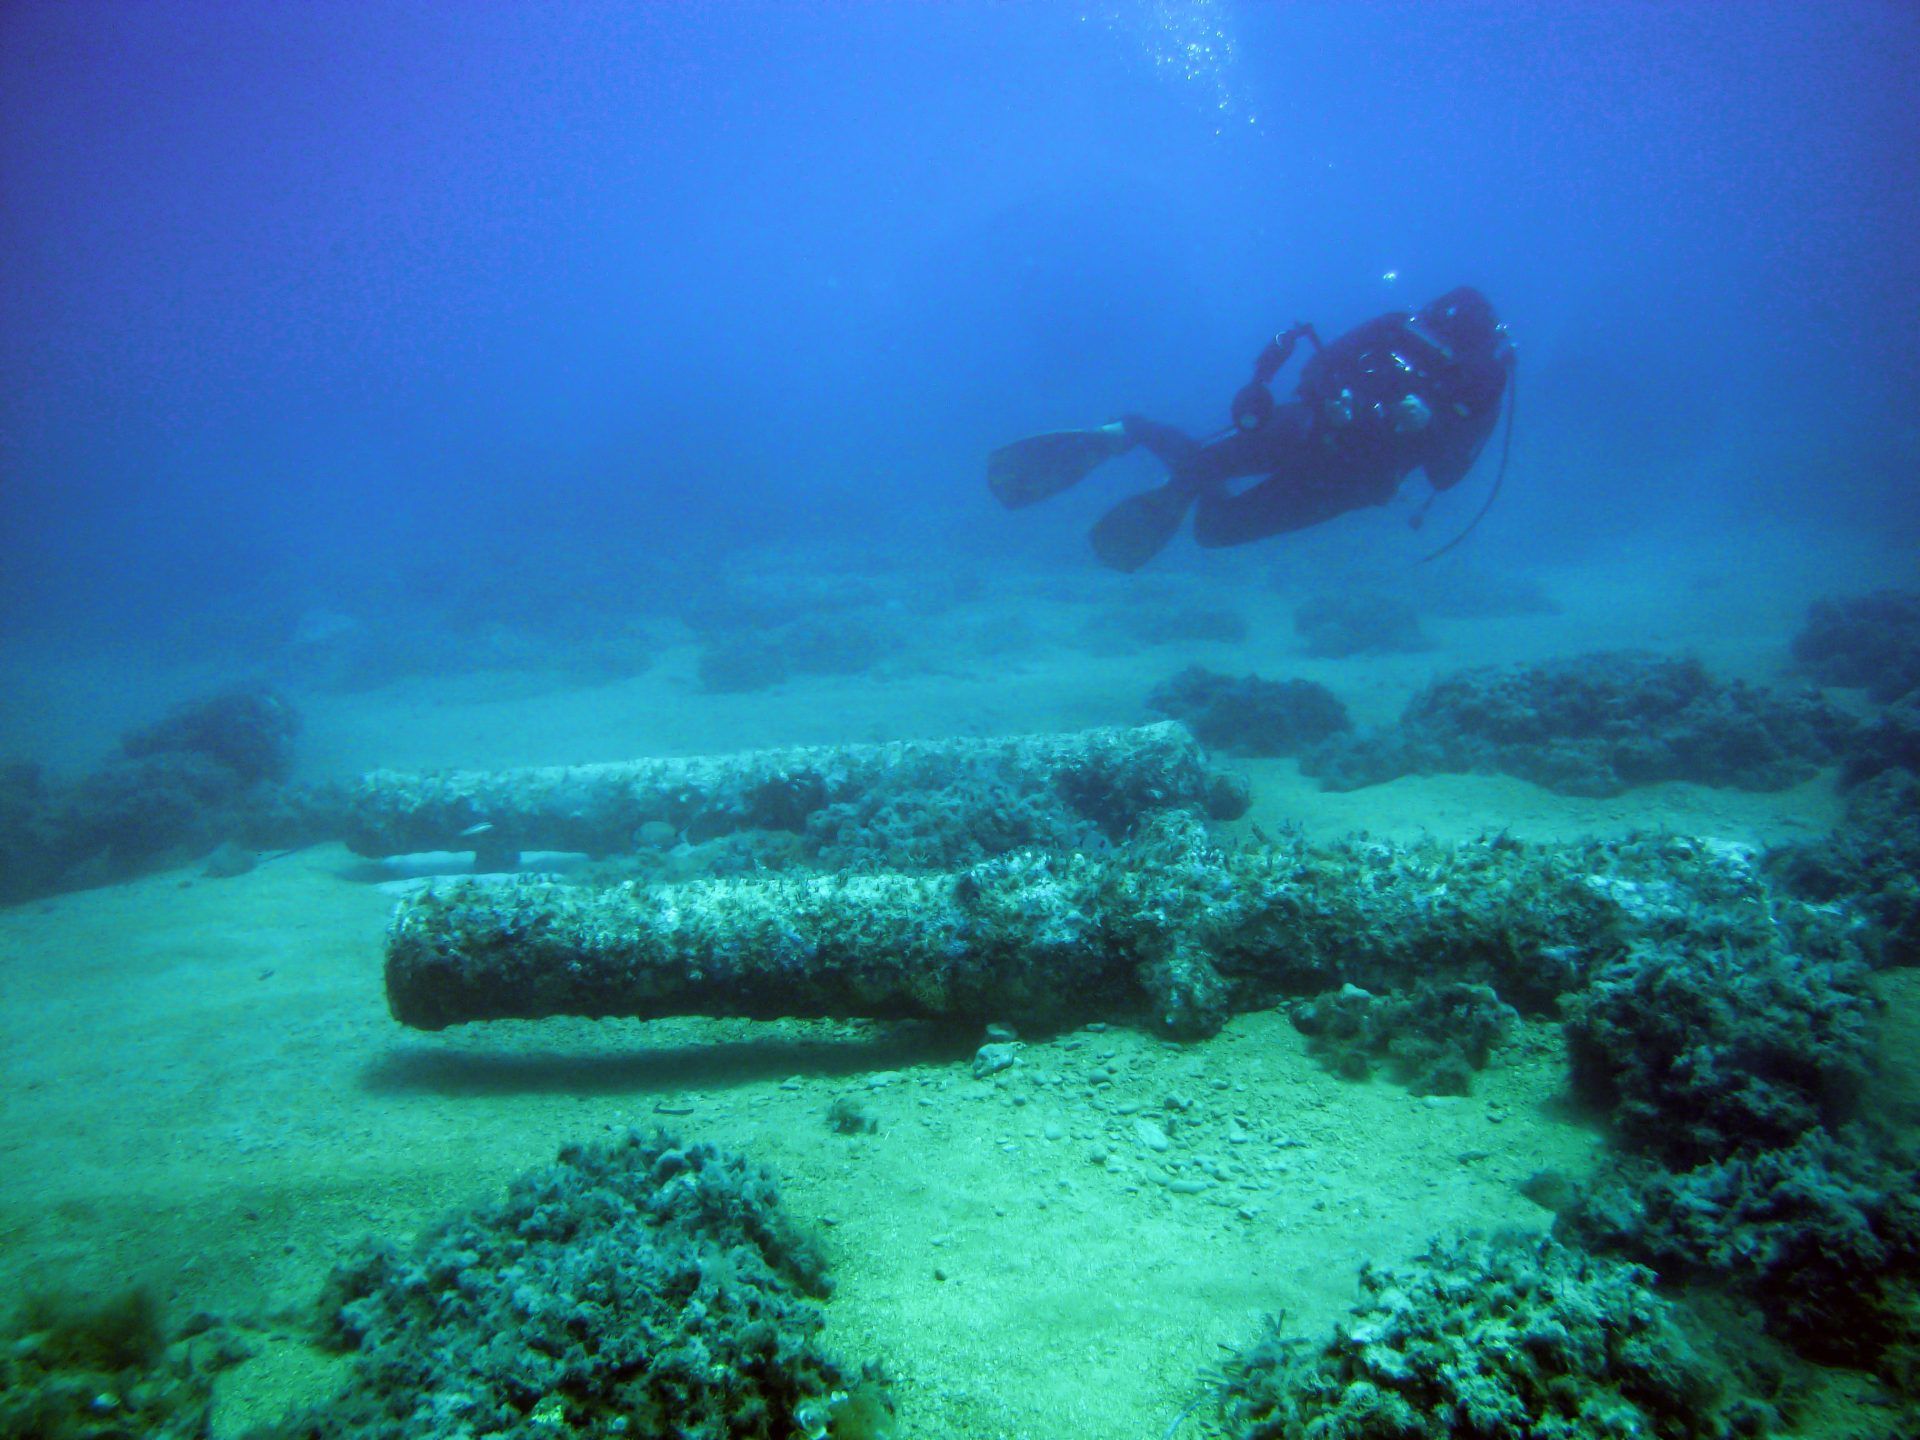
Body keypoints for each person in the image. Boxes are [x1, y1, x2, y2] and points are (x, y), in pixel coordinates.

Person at [987, 286, 1514, 571]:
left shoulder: (1482, 385)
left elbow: (1447, 477)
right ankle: (1132, 433)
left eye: (1437, 355)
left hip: (1354, 479)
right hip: (1310, 430)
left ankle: (1142, 443)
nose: (1420, 357)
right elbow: (1320, 364)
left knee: (1214, 527)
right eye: (1419, 343)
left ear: (1467, 359)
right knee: (1197, 476)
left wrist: (1434, 424)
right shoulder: (1396, 325)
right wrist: (1336, 400)